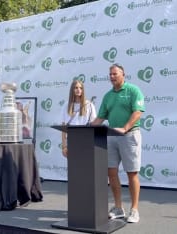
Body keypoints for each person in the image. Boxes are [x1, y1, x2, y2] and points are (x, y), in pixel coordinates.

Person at [91, 63, 145, 223]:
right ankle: (118, 208)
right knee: (111, 173)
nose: (112, 76)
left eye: (115, 74)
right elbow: (100, 117)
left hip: (130, 135)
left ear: (123, 75)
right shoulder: (108, 96)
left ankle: (134, 210)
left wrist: (125, 127)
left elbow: (138, 112)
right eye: (110, 74)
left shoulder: (133, 91)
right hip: (111, 137)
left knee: (132, 173)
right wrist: (85, 128)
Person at [61, 80, 97, 157]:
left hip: (87, 141)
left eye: (81, 88)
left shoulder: (89, 105)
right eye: (76, 88)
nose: (78, 90)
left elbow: (94, 125)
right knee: (74, 167)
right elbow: (63, 127)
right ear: (72, 90)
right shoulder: (66, 105)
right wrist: (64, 146)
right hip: (72, 141)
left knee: (86, 167)